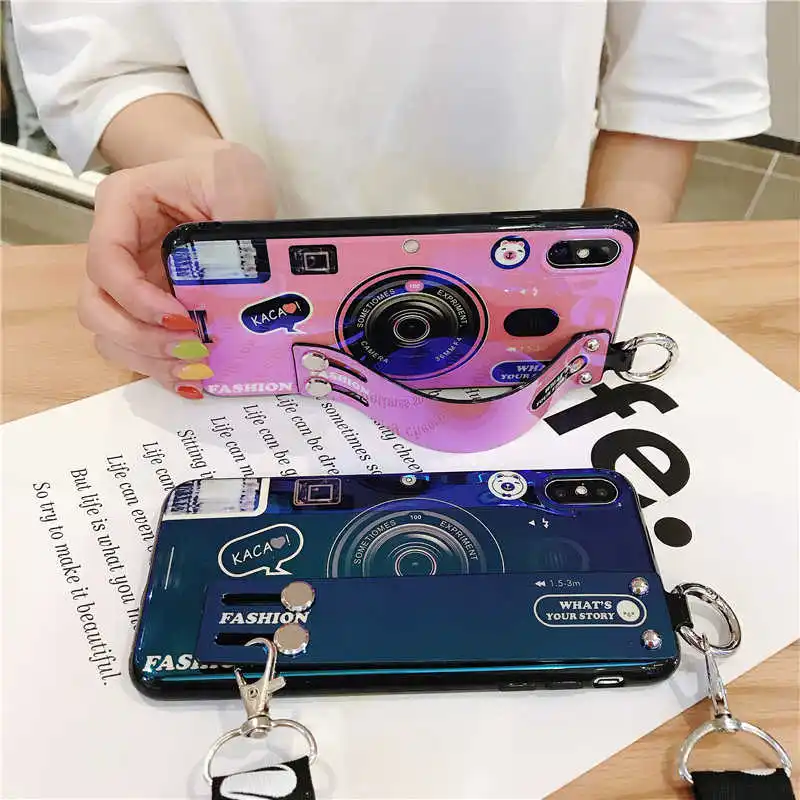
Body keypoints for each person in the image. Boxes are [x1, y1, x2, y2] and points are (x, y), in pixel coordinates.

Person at [11, 1, 771, 399]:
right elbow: (105, 57)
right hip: (256, 285)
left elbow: (668, 83)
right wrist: (193, 163)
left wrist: (595, 295)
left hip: (531, 296)